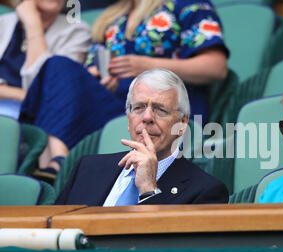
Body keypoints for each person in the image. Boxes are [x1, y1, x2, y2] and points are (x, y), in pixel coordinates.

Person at [19, 0, 228, 180]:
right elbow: (94, 69)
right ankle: (57, 160)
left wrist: (146, 65)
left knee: (58, 68)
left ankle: (56, 164)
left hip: (161, 111)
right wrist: (100, 78)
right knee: (58, 66)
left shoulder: (187, 4)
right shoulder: (112, 17)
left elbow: (216, 67)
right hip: (116, 110)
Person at [55, 68, 229, 206]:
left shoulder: (205, 191)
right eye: (138, 108)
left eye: (160, 110)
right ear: (128, 119)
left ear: (182, 124)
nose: (147, 117)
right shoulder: (87, 169)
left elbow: (169, 248)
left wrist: (148, 190)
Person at [0, 0, 91, 119]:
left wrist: (33, 24)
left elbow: (47, 90)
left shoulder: (77, 32)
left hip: (35, 122)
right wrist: (23, 95)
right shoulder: (3, 23)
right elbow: (34, 98)